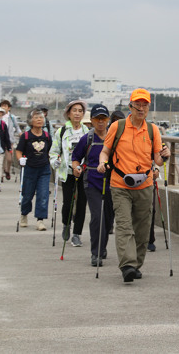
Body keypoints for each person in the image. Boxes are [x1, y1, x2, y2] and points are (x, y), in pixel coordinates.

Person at [97, 88, 169, 283]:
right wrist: (102, 163)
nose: (141, 108)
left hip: (145, 183)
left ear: (149, 108)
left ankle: (136, 264)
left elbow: (158, 161)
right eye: (137, 104)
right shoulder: (117, 127)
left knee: (143, 228)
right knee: (124, 225)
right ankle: (127, 265)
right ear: (130, 106)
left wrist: (164, 157)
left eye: (144, 104)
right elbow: (105, 151)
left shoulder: (153, 130)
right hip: (120, 184)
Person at [71, 104, 114, 267]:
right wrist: (76, 168)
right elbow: (76, 157)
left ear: (108, 120)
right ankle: (95, 253)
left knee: (109, 220)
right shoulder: (87, 138)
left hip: (112, 183)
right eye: (97, 119)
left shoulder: (114, 138)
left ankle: (102, 247)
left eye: (104, 118)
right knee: (97, 217)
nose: (101, 122)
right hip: (92, 182)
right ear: (92, 121)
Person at [49, 99, 88, 247]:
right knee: (68, 203)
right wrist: (55, 162)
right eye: (75, 111)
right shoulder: (62, 131)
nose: (77, 114)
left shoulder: (87, 132)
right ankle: (66, 224)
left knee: (82, 203)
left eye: (80, 111)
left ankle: (77, 234)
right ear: (69, 113)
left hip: (84, 172)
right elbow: (53, 152)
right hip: (67, 172)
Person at [16, 108, 52, 230]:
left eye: (41, 117)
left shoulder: (47, 136)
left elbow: (51, 151)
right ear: (30, 121)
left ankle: (40, 220)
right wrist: (21, 159)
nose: (39, 120)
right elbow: (19, 151)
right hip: (29, 169)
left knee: (43, 195)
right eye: (36, 117)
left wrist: (55, 159)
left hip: (44, 169)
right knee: (27, 195)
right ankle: (24, 214)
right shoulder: (26, 136)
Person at [0, 99, 22, 181]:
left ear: (9, 108)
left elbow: (17, 127)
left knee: (9, 159)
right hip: (0, 141)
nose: (3, 107)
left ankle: (7, 171)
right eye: (2, 106)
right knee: (1, 158)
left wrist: (20, 133)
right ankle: (1, 174)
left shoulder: (12, 117)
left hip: (10, 141)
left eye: (5, 106)